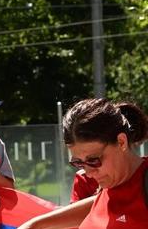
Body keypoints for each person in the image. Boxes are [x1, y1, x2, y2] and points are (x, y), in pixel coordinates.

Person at [18, 98, 148, 228]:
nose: (89, 173)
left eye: (93, 160)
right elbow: (107, 203)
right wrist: (35, 224)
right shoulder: (110, 186)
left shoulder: (137, 183)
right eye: (78, 162)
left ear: (121, 142)